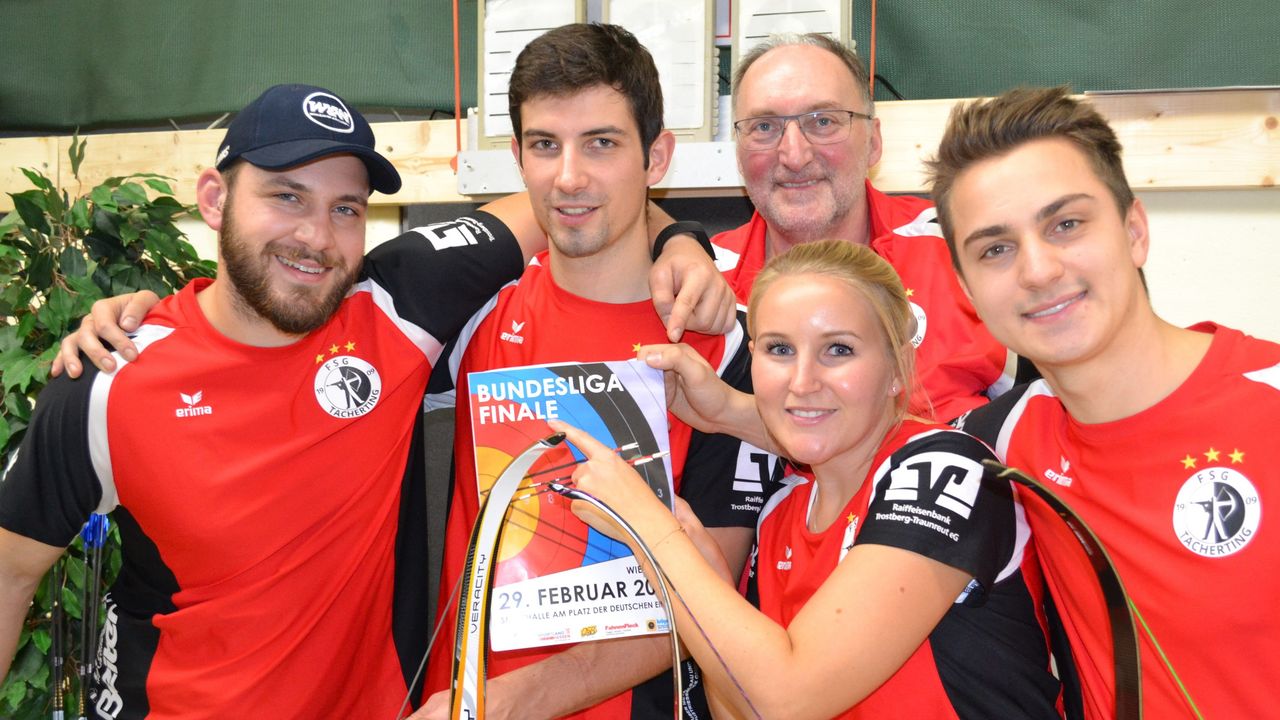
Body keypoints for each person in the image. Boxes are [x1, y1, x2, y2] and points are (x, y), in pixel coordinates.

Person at [1, 83, 730, 719]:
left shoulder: (399, 303)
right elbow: (10, 575)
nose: (316, 237)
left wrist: (686, 243)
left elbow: (571, 199)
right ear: (215, 197)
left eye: (345, 208)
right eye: (286, 196)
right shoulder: (109, 377)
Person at [417, 24, 766, 720]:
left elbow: (716, 585)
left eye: (602, 143)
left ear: (656, 156)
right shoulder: (473, 315)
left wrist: (508, 703)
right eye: (545, 145)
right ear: (517, 157)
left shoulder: (722, 340)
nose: (569, 176)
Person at [555, 239, 1062, 719]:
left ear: (897, 368)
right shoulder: (782, 506)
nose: (802, 381)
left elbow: (787, 697)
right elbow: (743, 706)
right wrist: (707, 577)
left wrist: (652, 532)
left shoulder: (944, 471)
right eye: (778, 349)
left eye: (838, 350)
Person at [927, 86, 1280, 718]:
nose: (1038, 270)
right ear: (966, 291)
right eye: (996, 249)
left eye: (1066, 224)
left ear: (1135, 231)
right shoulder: (1002, 441)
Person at [714, 33, 1011, 421]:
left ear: (873, 142)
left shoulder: (961, 250)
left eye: (822, 121)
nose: (794, 155)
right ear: (738, 152)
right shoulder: (700, 280)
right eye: (764, 127)